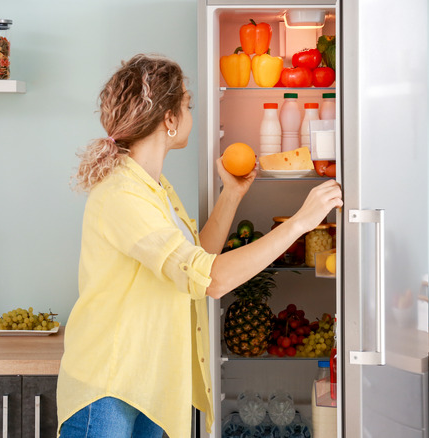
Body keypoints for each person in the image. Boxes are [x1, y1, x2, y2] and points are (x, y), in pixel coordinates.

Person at [57, 53, 342, 438]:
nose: (194, 113)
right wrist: (300, 223)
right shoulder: (122, 193)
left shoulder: (154, 186)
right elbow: (211, 281)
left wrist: (231, 195)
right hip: (110, 384)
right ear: (169, 120)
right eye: (188, 105)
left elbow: (195, 262)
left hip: (150, 380)